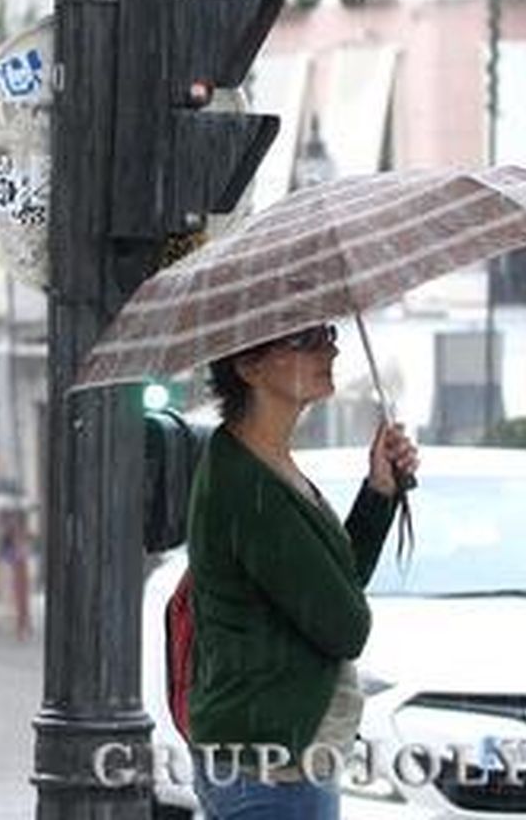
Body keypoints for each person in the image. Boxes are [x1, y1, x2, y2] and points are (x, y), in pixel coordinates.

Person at [187, 322, 419, 819]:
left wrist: (378, 489)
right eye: (304, 339)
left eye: (328, 332)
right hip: (267, 772)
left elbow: (333, 583)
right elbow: (345, 626)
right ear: (248, 366)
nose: (330, 348)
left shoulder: (269, 463)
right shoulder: (247, 485)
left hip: (284, 761)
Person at [0, 509, 33, 641]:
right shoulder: (15, 534)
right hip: (16, 567)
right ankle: (23, 626)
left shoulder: (19, 534)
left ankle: (23, 627)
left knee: (21, 599)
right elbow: (5, 553)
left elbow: (8, 553)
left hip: (19, 568)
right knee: (20, 599)